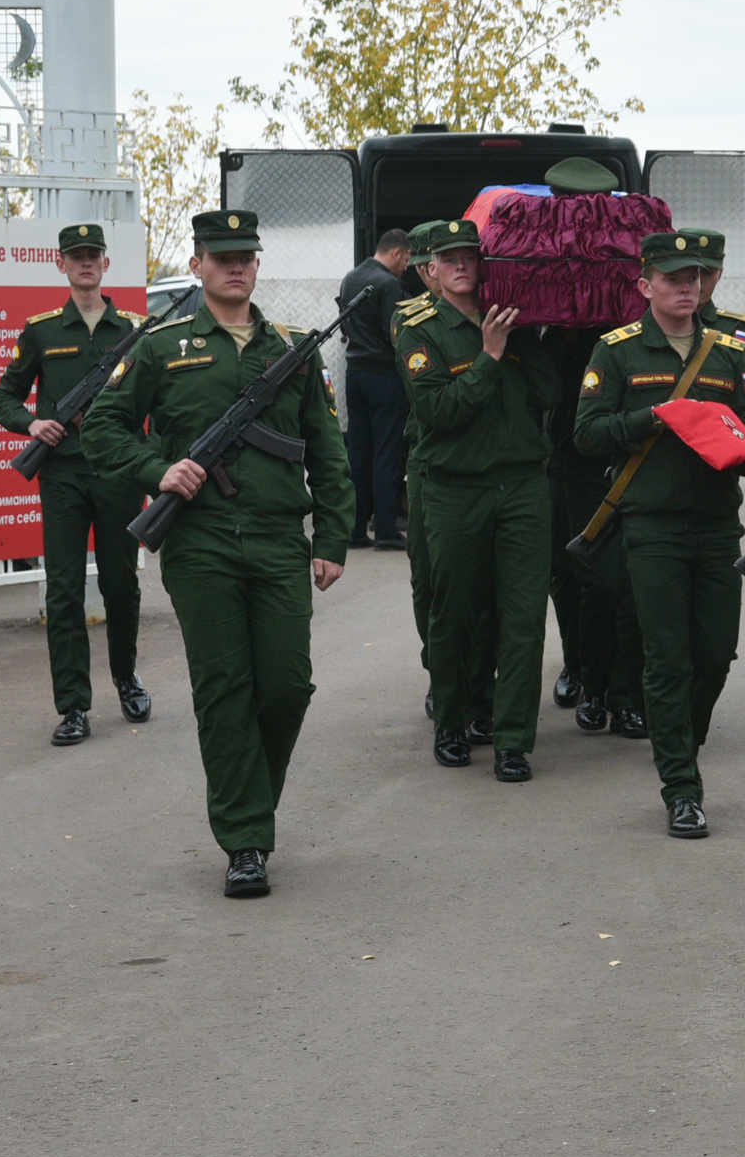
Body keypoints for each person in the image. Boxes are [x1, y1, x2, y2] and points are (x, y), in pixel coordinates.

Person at [82, 209, 351, 900]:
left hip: (276, 540)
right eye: (221, 256)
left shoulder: (291, 348)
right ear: (198, 265)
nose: (235, 266)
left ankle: (250, 801)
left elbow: (326, 450)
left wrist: (333, 539)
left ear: (258, 264)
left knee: (288, 684)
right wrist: (158, 472)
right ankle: (246, 840)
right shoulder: (163, 348)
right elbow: (102, 431)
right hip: (201, 545)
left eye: (246, 256)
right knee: (225, 689)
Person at [572, 229, 745, 841]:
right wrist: (652, 418)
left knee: (715, 654)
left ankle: (683, 736)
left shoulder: (727, 353)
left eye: (698, 276)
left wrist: (742, 446)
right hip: (650, 526)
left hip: (715, 526)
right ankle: (681, 786)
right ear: (645, 284)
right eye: (675, 277)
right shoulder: (618, 350)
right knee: (666, 658)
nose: (689, 285)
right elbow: (587, 434)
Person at [394, 218, 559, 783]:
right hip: (453, 487)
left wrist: (522, 338)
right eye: (450, 258)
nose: (463, 264)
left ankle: (513, 739)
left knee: (522, 617)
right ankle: (454, 719)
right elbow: (439, 412)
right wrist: (489, 356)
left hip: (521, 488)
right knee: (454, 610)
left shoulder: (509, 321)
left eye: (471, 255)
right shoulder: (418, 328)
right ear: (431, 271)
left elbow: (551, 395)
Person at [0, 221, 150, 745]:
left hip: (118, 474)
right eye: (75, 255)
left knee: (121, 585)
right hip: (61, 474)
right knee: (63, 591)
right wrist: (32, 424)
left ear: (106, 264)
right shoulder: (41, 330)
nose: (85, 263)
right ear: (60, 264)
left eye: (94, 255)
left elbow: (158, 401)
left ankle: (125, 677)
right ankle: (74, 706)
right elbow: (3, 397)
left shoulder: (134, 328)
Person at [534, 157, 642, 736]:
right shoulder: (537, 285)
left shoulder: (625, 277)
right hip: (564, 451)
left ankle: (614, 683)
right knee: (569, 570)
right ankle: (580, 665)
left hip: (620, 450)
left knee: (616, 580)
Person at [336, 228, 415, 549]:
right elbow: (395, 334)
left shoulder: (350, 278)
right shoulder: (389, 284)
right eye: (407, 259)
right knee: (387, 451)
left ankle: (355, 530)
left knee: (358, 452)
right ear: (396, 252)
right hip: (384, 376)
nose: (407, 267)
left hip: (354, 374)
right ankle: (385, 530)